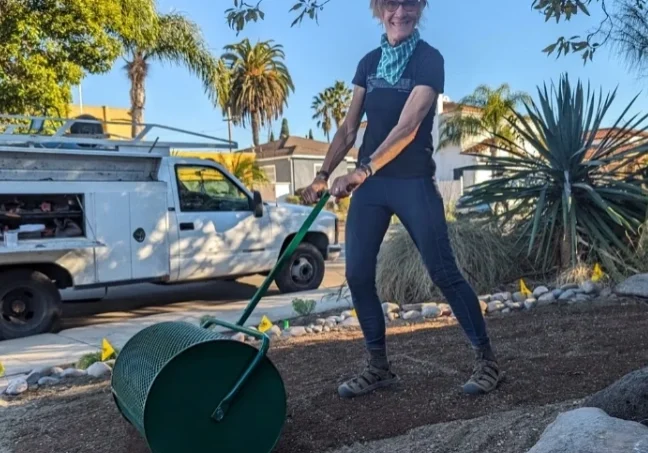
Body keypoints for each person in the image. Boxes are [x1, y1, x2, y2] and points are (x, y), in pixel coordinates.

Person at [301, 0, 502, 399]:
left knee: (443, 271)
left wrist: (363, 170)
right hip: (372, 189)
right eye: (391, 4)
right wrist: (323, 174)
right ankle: (378, 368)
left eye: (409, 3)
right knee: (357, 274)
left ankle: (487, 362)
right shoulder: (369, 63)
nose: (400, 12)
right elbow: (348, 128)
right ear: (379, 9)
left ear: (421, 6)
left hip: (410, 182)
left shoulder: (429, 60)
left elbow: (408, 126)